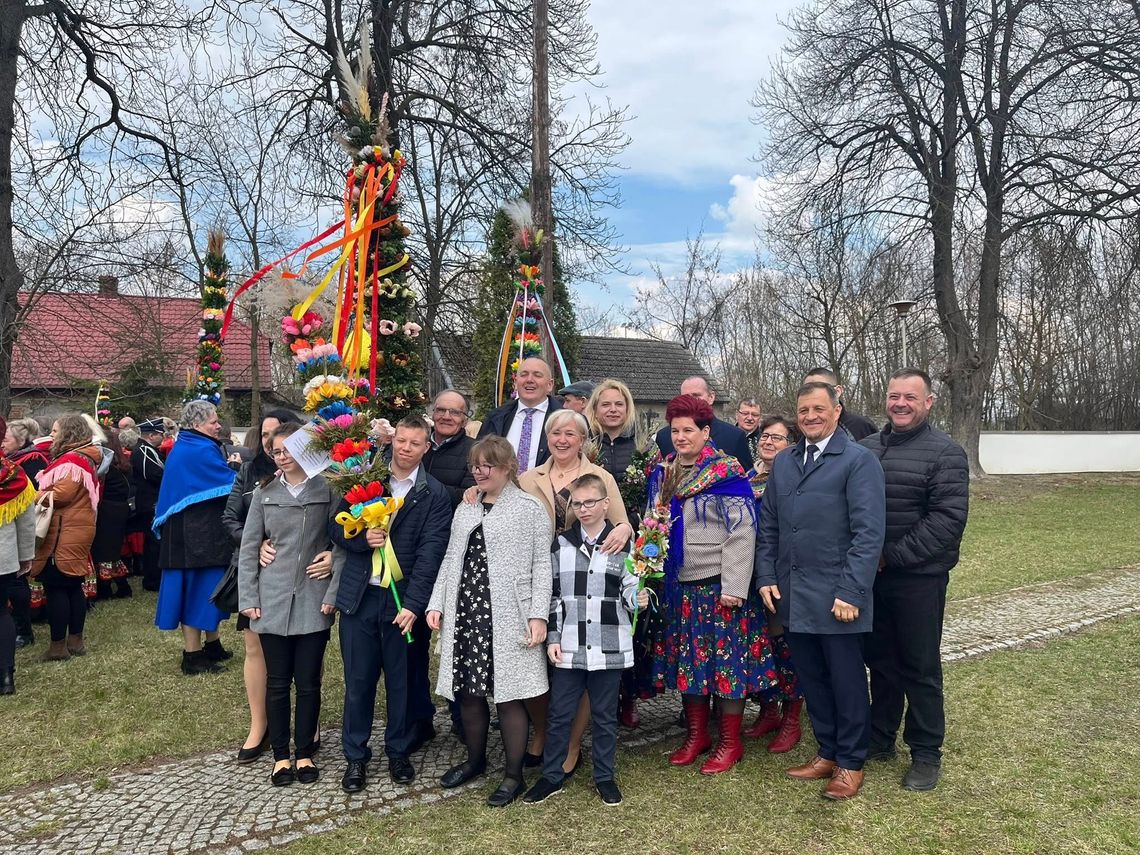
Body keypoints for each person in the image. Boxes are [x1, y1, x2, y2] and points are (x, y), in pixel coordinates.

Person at [755, 381, 886, 800]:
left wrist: (852, 591)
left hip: (838, 597)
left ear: (836, 410)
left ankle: (850, 762)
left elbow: (869, 534)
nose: (810, 416)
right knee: (812, 679)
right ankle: (827, 751)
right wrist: (766, 576)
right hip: (793, 593)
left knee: (846, 680)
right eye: (803, 410)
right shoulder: (787, 462)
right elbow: (770, 526)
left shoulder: (857, 461)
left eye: (818, 409)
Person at [650, 395, 775, 775]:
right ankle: (696, 736)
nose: (682, 436)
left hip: (718, 586)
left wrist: (735, 586)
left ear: (706, 432)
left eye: (689, 430)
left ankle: (730, 742)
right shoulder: (664, 471)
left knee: (728, 665)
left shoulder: (726, 473)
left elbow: (742, 532)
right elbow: (652, 521)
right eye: (676, 430)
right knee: (690, 664)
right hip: (679, 586)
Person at [426, 436, 553, 807]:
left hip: (510, 614)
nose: (479, 472)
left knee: (510, 696)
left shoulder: (529, 508)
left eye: (487, 466)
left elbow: (541, 565)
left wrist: (538, 615)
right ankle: (475, 761)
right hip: (467, 611)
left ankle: (513, 775)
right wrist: (437, 603)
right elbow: (452, 558)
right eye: (475, 466)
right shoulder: (466, 507)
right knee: (469, 691)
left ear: (508, 467)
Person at [861, 368, 969, 791]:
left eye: (910, 397)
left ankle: (926, 751)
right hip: (872, 578)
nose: (900, 403)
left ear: (929, 402)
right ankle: (880, 736)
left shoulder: (946, 453)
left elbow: (947, 520)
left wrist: (891, 557)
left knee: (920, 666)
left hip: (919, 578)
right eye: (893, 396)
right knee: (880, 663)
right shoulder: (866, 448)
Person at [333, 416, 451, 792]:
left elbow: (432, 553)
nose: (406, 448)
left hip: (402, 603)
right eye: (401, 440)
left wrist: (414, 605)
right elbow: (334, 527)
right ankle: (355, 756)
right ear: (392, 440)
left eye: (415, 443)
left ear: (426, 447)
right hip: (361, 598)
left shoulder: (434, 494)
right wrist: (359, 539)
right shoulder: (365, 479)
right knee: (359, 681)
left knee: (402, 681)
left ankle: (398, 750)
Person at [514, 409, 632, 775]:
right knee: (536, 658)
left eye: (570, 434)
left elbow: (622, 521)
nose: (562, 440)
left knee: (580, 658)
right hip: (538, 571)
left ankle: (570, 744)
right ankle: (544, 733)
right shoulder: (528, 478)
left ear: (582, 439)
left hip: (585, 572)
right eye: (555, 433)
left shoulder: (600, 477)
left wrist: (625, 531)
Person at [524, 474, 647, 806]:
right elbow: (550, 595)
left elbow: (630, 586)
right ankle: (552, 776)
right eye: (577, 504)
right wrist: (551, 636)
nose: (584, 509)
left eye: (590, 502)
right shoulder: (561, 545)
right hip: (569, 642)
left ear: (606, 503)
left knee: (605, 715)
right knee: (560, 713)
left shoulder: (622, 544)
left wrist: (639, 597)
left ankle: (605, 776)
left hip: (609, 643)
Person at [238, 422, 340, 787]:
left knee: (309, 682)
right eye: (276, 452)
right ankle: (281, 755)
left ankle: (306, 752)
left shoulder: (327, 489)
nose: (281, 457)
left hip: (314, 597)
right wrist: (248, 599)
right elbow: (250, 548)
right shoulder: (264, 493)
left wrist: (333, 586)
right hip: (273, 598)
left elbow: (342, 539)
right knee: (278, 682)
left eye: (288, 450)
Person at [222, 409, 304, 763]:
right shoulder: (250, 470)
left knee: (303, 654)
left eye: (278, 434)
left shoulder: (316, 475)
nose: (271, 443)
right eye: (266, 434)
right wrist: (253, 544)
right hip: (257, 573)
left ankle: (306, 726)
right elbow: (229, 517)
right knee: (255, 650)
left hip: (298, 578)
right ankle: (260, 725)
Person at [585, 378, 656, 727]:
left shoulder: (644, 448)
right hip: (590, 543)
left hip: (635, 546)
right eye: (605, 404)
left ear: (628, 409)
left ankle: (628, 695)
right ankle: (596, 696)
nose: (612, 410)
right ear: (595, 409)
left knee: (631, 620)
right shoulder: (584, 445)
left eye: (619, 404)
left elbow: (656, 496)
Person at [152, 401, 237, 675]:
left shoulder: (191, 444)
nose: (218, 425)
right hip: (195, 535)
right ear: (198, 423)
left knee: (208, 589)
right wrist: (244, 475)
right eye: (213, 421)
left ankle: (212, 645)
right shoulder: (197, 449)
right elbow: (228, 482)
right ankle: (193, 656)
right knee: (198, 591)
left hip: (196, 531)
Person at [743, 414, 804, 752]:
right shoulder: (746, 476)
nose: (767, 441)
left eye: (777, 438)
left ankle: (791, 717)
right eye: (765, 436)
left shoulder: (793, 478)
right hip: (747, 573)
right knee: (759, 645)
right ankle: (768, 710)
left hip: (779, 574)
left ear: (792, 444)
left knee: (784, 647)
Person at [29, 414, 103, 661]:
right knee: (72, 586)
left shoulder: (72, 461)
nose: (52, 435)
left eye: (55, 431)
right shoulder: (85, 457)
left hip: (64, 532)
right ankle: (75, 641)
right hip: (75, 528)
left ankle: (58, 647)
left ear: (68, 433)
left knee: (57, 587)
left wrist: (32, 494)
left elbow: (61, 495)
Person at [3, 418, 48, 648]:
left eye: (7, 439)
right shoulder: (10, 464)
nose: (3, 444)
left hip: (10, 544)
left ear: (20, 441)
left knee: (16, 587)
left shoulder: (28, 462)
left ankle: (24, 629)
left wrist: (25, 552)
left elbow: (26, 506)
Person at [477, 357, 563, 473]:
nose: (529, 380)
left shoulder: (566, 420)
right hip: (502, 490)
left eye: (537, 375)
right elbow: (478, 459)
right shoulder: (496, 418)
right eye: (524, 375)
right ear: (516, 383)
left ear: (550, 385)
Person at [0, 442, 37, 694]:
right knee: (1, 613)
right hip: (4, 558)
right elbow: (26, 522)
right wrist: (26, 556)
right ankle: (5, 678)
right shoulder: (13, 473)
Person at [654, 376, 753, 469]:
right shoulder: (663, 437)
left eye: (696, 396)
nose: (691, 401)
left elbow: (747, 477)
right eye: (686, 397)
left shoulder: (734, 436)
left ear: (711, 397)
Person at [92, 431, 133, 600]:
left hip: (108, 510)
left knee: (104, 551)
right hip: (119, 509)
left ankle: (105, 588)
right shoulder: (120, 462)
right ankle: (122, 586)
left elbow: (100, 491)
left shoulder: (107, 466)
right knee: (112, 551)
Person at [423, 390, 476, 509]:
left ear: (465, 420)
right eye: (441, 410)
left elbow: (468, 497)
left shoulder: (475, 452)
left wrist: (423, 487)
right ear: (433, 415)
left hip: (447, 523)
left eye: (455, 412)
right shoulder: (416, 444)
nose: (446, 417)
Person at [130, 419, 166, 592]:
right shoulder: (143, 450)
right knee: (154, 542)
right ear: (151, 435)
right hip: (150, 502)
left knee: (153, 542)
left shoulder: (148, 450)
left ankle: (153, 576)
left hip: (151, 501)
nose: (163, 437)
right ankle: (153, 579)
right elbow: (156, 474)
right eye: (160, 434)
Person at [803, 367, 878, 441]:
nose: (812, 394)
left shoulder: (860, 426)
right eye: (806, 390)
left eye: (820, 388)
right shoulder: (804, 426)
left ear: (837, 391)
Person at [735, 398, 763, 463]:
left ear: (760, 417)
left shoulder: (764, 440)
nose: (750, 418)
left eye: (755, 415)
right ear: (737, 415)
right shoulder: (726, 435)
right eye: (745, 414)